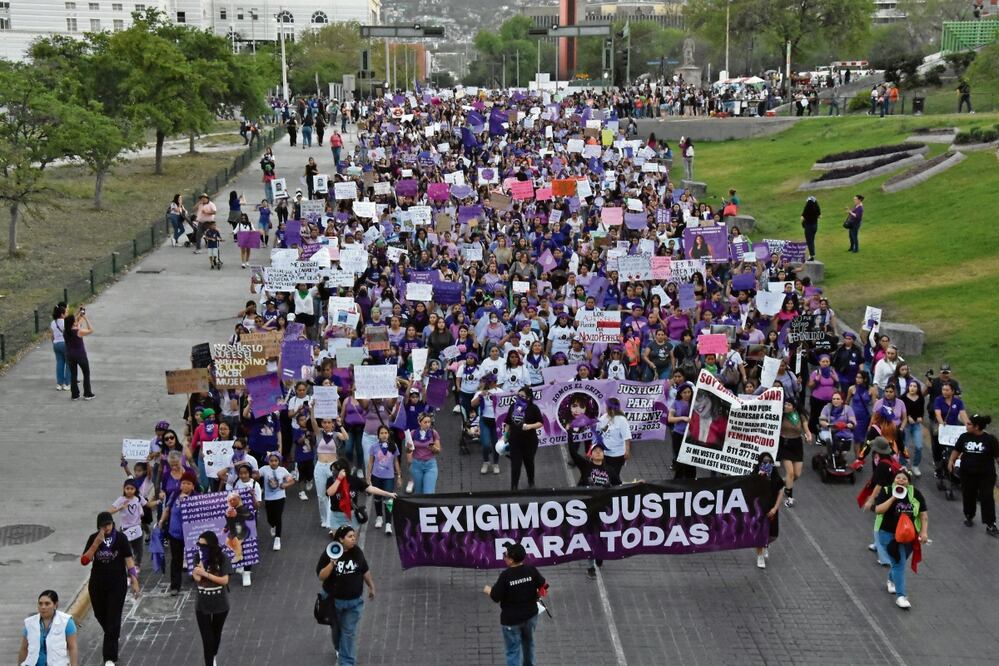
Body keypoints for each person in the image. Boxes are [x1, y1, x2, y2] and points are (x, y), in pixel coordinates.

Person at [80, 511, 140, 666]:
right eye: (102, 526)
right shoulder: (94, 538)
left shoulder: (121, 538)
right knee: (101, 615)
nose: (105, 528)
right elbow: (85, 560)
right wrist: (96, 544)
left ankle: (109, 657)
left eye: (108, 524)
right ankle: (113, 633)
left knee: (112, 618)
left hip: (117, 584)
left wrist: (134, 580)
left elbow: (128, 559)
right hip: (97, 583)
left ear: (112, 523)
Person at [317, 524, 377, 666]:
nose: (353, 539)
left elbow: (364, 570)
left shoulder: (357, 552)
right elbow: (321, 576)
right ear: (341, 539)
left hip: (354, 602)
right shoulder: (329, 553)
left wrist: (371, 586)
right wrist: (332, 564)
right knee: (337, 630)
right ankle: (339, 648)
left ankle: (347, 662)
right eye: (350, 537)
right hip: (334, 602)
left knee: (348, 632)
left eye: (354, 536)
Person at [483, 542, 547, 666]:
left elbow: (496, 597)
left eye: (505, 555)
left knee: (513, 651)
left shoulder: (505, 576)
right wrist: (538, 596)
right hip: (530, 616)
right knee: (529, 645)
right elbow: (545, 586)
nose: (504, 557)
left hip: (511, 621)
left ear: (511, 560)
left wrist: (487, 589)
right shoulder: (531, 570)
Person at [873, 470, 929, 609]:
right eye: (898, 478)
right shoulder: (886, 491)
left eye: (904, 479)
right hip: (888, 534)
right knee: (899, 563)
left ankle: (891, 580)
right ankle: (901, 596)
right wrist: (893, 498)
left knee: (901, 561)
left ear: (908, 481)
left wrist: (924, 532)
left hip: (908, 535)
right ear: (894, 480)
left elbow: (923, 515)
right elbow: (878, 510)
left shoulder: (915, 494)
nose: (901, 480)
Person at [948, 414, 998, 535]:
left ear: (977, 427)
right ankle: (969, 515)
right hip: (968, 474)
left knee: (987, 497)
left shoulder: (990, 440)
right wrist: (951, 461)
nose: (966, 425)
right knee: (969, 495)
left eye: (969, 424)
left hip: (986, 475)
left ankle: (991, 524)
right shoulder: (964, 437)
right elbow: (956, 450)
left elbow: (997, 456)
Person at [192, 530, 233, 666]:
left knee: (216, 634)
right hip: (202, 605)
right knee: (207, 639)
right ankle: (209, 662)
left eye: (204, 545)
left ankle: (213, 655)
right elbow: (196, 578)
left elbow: (225, 580)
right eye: (199, 545)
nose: (201, 548)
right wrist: (199, 572)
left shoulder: (222, 558)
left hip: (220, 605)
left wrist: (206, 574)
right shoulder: (197, 557)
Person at [18, 590, 78, 666]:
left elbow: (72, 647)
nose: (43, 607)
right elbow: (23, 648)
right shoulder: (30, 623)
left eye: (47, 604)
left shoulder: (66, 622)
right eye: (40, 604)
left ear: (55, 605)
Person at [504, 386, 544, 490]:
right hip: (515, 441)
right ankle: (514, 487)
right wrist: (505, 435)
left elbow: (540, 423)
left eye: (522, 396)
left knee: (529, 462)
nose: (519, 397)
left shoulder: (533, 408)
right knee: (515, 465)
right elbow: (508, 422)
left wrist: (530, 426)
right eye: (519, 395)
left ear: (528, 398)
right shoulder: (513, 406)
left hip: (529, 441)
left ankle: (531, 482)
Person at [753, 452, 784, 569]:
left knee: (773, 535)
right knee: (759, 533)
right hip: (758, 508)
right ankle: (760, 556)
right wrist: (758, 479)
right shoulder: (755, 473)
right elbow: (749, 490)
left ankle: (766, 544)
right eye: (764, 462)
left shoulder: (774, 474)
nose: (767, 465)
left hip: (771, 508)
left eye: (769, 462)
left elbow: (781, 490)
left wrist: (775, 508)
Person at [259, 451, 295, 551]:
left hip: (280, 497)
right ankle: (273, 525)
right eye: (271, 461)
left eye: (275, 461)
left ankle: (277, 539)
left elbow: (291, 480)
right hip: (268, 498)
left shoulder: (282, 470)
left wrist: (286, 485)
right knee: (270, 518)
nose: (273, 463)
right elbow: (256, 475)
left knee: (278, 516)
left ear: (279, 461)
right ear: (268, 461)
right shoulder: (264, 469)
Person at [63, 310, 94, 401]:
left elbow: (75, 322)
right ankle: (87, 393)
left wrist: (78, 314)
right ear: (73, 322)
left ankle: (75, 394)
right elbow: (91, 330)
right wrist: (85, 318)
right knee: (86, 373)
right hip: (80, 355)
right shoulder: (78, 331)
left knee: (73, 374)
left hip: (69, 355)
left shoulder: (65, 331)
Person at [597, 397, 632, 478]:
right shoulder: (604, 417)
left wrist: (627, 451)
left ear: (609, 408)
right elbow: (598, 430)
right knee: (604, 474)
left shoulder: (622, 420)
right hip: (605, 453)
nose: (604, 407)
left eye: (606, 406)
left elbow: (627, 437)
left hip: (617, 455)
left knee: (614, 475)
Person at [50, 303, 70, 391]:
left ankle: (59, 384)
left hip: (56, 344)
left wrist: (54, 343)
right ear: (62, 314)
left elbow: (52, 335)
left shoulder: (53, 322)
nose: (67, 314)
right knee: (69, 364)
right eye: (66, 312)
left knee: (59, 363)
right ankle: (66, 383)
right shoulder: (65, 322)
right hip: (65, 344)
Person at [800, 196, 821, 261]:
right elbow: (820, 216)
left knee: (809, 242)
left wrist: (803, 223)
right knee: (812, 241)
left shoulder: (807, 209)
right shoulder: (817, 208)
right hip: (815, 226)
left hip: (808, 226)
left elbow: (802, 218)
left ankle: (812, 255)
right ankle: (812, 254)